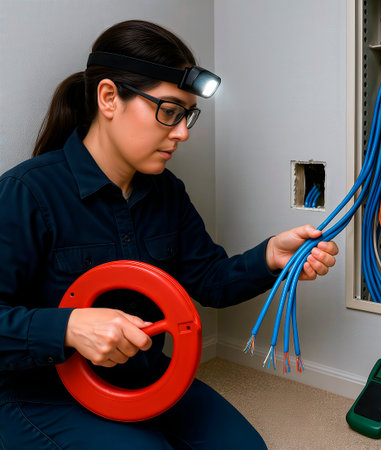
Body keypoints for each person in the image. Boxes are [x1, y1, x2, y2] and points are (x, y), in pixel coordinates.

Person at [0, 20, 338, 449]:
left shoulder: (167, 192)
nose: (183, 132)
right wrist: (67, 326)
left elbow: (210, 279)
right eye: (168, 111)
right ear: (109, 98)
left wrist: (271, 256)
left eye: (186, 115)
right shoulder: (28, 193)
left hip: (145, 379)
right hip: (42, 396)